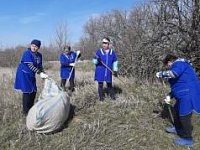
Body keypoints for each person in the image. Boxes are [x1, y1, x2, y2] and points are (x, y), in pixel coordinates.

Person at [156, 53, 200, 147]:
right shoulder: (180, 66)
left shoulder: (179, 63)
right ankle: (178, 128)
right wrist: (170, 95)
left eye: (167, 66)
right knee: (176, 111)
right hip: (183, 94)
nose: (168, 68)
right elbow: (178, 85)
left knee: (184, 115)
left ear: (169, 62)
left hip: (188, 94)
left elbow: (174, 74)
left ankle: (188, 139)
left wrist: (161, 74)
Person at [14, 39, 48, 115]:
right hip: (24, 74)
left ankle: (31, 108)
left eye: (36, 46)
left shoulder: (39, 55)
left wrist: (43, 73)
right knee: (27, 91)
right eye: (32, 45)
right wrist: (40, 73)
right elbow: (30, 66)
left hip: (31, 75)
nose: (34, 47)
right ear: (30, 45)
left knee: (34, 91)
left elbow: (39, 66)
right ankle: (25, 112)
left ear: (38, 48)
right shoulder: (27, 53)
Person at [92, 37, 118, 101]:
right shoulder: (99, 52)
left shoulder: (112, 53)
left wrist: (115, 70)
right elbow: (94, 62)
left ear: (109, 44)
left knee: (109, 84)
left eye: (105, 43)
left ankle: (113, 98)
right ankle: (101, 98)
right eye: (103, 43)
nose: (104, 44)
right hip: (100, 71)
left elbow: (115, 61)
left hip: (108, 71)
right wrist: (97, 59)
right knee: (100, 85)